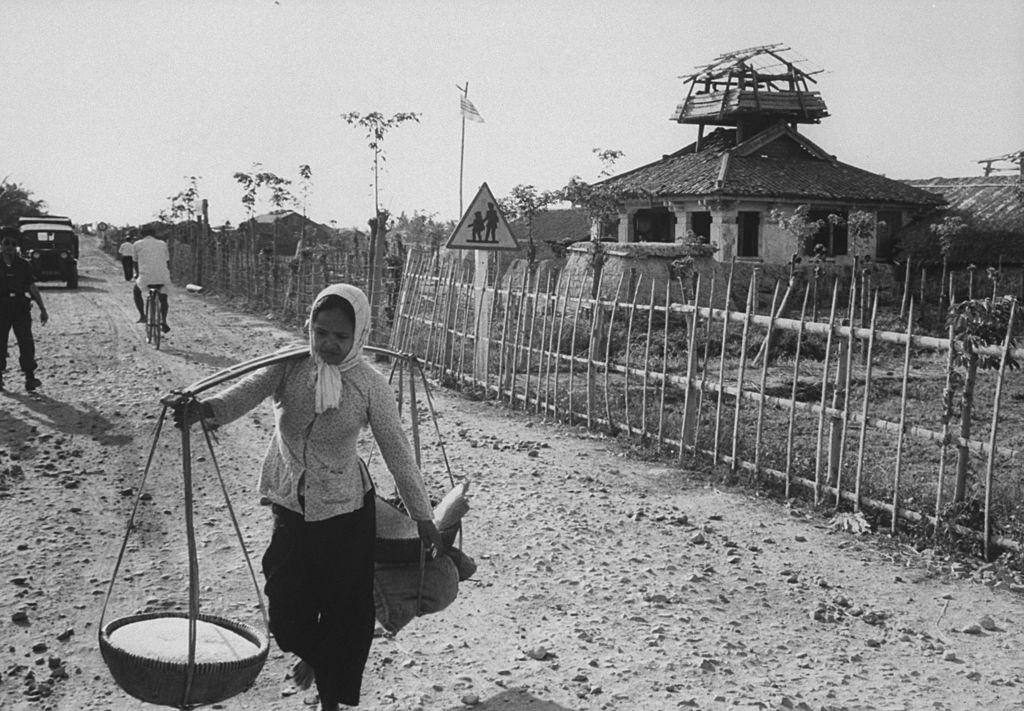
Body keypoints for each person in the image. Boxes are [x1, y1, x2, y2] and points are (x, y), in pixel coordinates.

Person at [174, 283, 443, 711]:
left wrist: (423, 517)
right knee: (286, 615)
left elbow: (398, 453)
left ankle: (331, 701)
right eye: (321, 332)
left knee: (345, 616)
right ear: (309, 328)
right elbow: (244, 391)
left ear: (359, 337)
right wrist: (205, 409)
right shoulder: (290, 366)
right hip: (291, 505)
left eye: (341, 336)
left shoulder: (370, 385)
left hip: (347, 513)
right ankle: (317, 658)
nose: (329, 345)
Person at [0, 226, 48, 392]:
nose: (10, 247)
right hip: (1, 307)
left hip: (20, 307)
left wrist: (42, 308)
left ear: (17, 246)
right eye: (6, 243)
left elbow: (31, 287)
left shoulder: (24, 265)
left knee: (26, 342)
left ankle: (29, 377)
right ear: (1, 244)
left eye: (13, 243)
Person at [131, 226, 171, 332]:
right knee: (163, 298)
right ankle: (164, 320)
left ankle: (142, 316)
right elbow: (167, 261)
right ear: (154, 234)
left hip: (145, 277)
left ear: (142, 235)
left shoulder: (137, 244)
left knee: (136, 292)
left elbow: (135, 262)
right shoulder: (162, 244)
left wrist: (137, 274)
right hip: (162, 276)